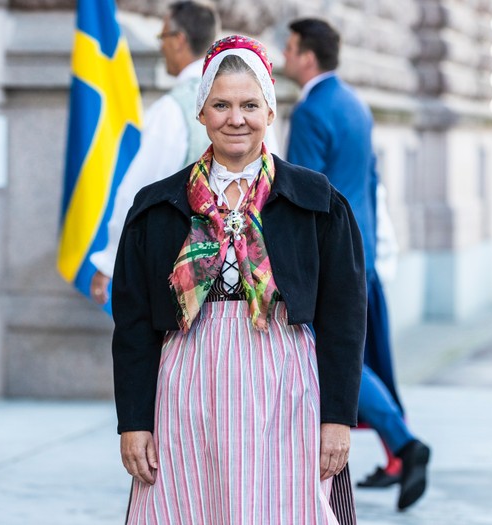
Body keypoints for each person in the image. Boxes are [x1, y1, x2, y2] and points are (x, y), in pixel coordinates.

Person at [112, 35, 366, 524]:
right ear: (201, 112)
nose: (236, 118)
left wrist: (337, 418)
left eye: (250, 104)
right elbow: (135, 325)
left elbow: (345, 318)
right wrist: (135, 423)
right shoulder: (158, 208)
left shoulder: (315, 203)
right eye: (221, 104)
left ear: (270, 112)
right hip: (185, 383)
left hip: (282, 385)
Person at [283, 18, 430, 510]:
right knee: (362, 356)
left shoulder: (309, 113)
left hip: (328, 253)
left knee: (337, 356)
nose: (284, 55)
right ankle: (398, 450)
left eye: (289, 46)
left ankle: (406, 445)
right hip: (360, 247)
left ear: (306, 55)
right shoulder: (355, 104)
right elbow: (368, 182)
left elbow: (302, 193)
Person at [88, 0, 220, 305]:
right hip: (242, 270)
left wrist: (108, 260)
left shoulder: (171, 109)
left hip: (182, 271)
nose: (161, 47)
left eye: (162, 37)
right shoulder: (250, 106)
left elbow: (137, 192)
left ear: (179, 40)